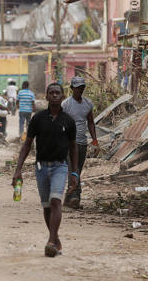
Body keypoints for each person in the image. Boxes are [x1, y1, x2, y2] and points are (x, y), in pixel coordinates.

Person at [12, 83, 78, 258]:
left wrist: (74, 173)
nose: (55, 95)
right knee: (47, 206)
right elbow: (27, 145)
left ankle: (50, 241)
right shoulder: (38, 119)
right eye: (52, 93)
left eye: (58, 93)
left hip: (60, 167)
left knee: (56, 201)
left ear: (63, 97)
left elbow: (73, 148)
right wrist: (17, 170)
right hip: (41, 167)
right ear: (47, 96)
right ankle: (56, 239)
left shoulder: (68, 121)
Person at [60, 76, 98, 208]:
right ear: (72, 89)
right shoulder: (66, 104)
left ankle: (68, 198)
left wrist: (94, 140)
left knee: (77, 170)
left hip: (82, 142)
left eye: (82, 88)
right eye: (77, 88)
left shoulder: (87, 104)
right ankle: (76, 196)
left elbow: (91, 123)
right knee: (73, 169)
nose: (80, 90)